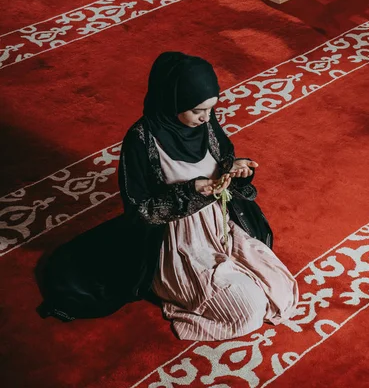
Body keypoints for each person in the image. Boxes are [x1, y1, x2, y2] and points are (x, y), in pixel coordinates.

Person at [37, 52, 298, 341]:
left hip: (221, 227)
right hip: (176, 243)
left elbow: (221, 164)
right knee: (247, 311)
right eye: (198, 109)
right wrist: (191, 191)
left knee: (281, 290)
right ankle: (174, 291)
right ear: (173, 100)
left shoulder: (205, 126)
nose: (206, 117)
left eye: (211, 108)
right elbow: (140, 211)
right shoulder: (142, 140)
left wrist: (234, 169)